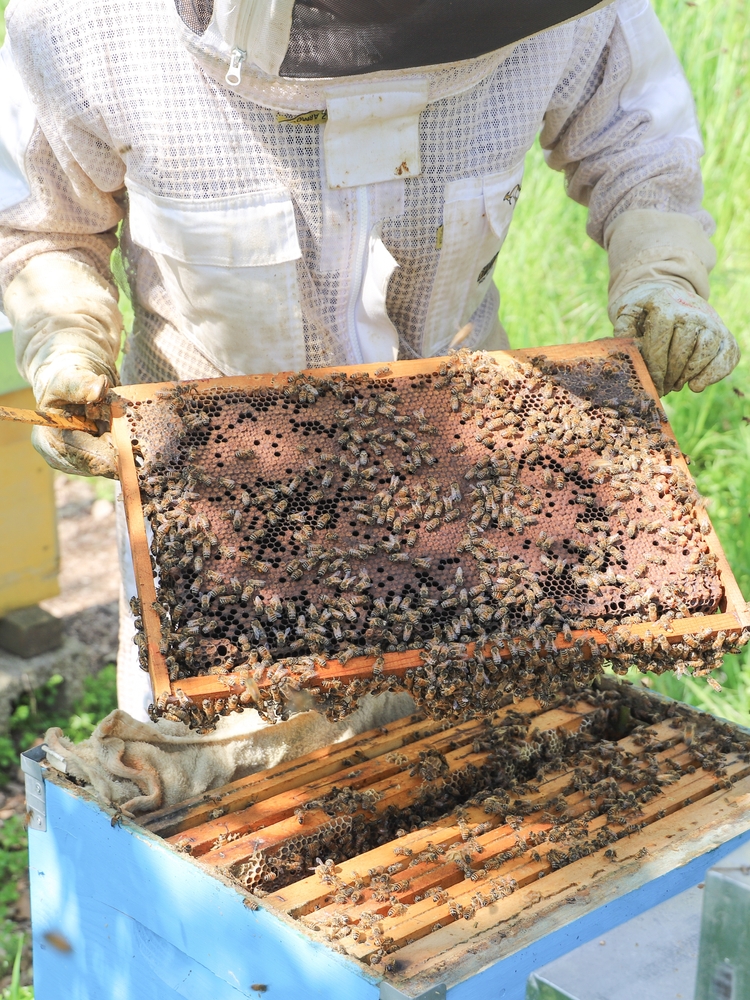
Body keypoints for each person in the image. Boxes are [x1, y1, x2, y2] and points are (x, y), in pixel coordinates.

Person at [0, 0, 739, 726]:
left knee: (482, 749)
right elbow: (41, 225)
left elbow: (640, 144)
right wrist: (64, 337)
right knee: (226, 772)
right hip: (219, 520)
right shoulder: (88, 26)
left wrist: (660, 267)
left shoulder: (573, 15)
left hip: (472, 497)